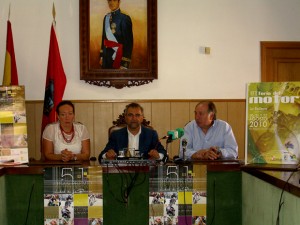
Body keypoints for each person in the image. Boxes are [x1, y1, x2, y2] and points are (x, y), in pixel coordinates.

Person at [98, 103, 167, 161]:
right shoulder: (116, 135)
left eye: (137, 115)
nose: (134, 118)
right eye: (130, 115)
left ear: (142, 117)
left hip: (145, 172)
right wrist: (107, 155)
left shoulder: (151, 134)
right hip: (122, 172)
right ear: (125, 117)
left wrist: (158, 156)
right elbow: (102, 155)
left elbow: (163, 153)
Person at [99, 0, 133, 69]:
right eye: (109, 1)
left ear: (119, 2)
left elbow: (128, 43)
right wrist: (102, 56)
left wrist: (124, 64)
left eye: (114, 0)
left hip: (118, 57)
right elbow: (104, 38)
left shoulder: (124, 18)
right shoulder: (106, 17)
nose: (111, 3)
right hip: (106, 57)